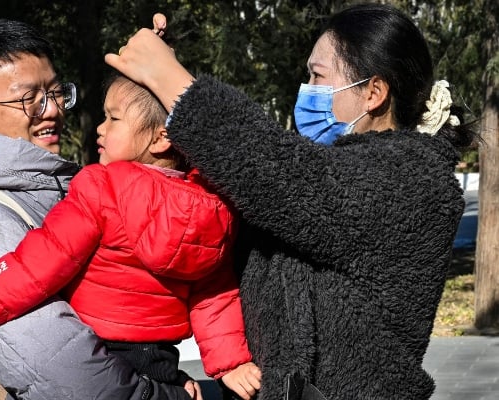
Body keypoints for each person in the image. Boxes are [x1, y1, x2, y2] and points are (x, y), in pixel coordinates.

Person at [105, 4, 477, 400]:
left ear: (373, 93)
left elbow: (275, 171)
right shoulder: (327, 172)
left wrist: (169, 78)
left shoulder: (413, 179)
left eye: (318, 76)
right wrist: (153, 94)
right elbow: (238, 199)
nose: (308, 89)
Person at [0, 18, 200, 400]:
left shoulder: (54, 188)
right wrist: (161, 395)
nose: (51, 110)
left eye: (56, 91)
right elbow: (70, 380)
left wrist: (153, 84)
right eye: (27, 98)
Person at [0, 73, 262, 400]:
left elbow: (45, 257)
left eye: (114, 118)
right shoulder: (214, 212)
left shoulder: (100, 187)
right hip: (160, 357)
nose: (101, 127)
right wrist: (230, 364)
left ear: (161, 139)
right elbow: (216, 296)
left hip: (101, 345)